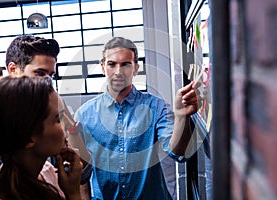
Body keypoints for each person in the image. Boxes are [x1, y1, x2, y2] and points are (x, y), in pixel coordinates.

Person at [72, 37, 200, 199]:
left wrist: (182, 118)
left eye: (125, 64)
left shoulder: (156, 107)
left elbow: (178, 152)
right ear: (103, 67)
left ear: (136, 69)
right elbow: (82, 170)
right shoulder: (84, 114)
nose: (118, 71)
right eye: (112, 64)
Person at [0, 35, 92, 199]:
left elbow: (82, 170)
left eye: (51, 76)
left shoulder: (50, 105)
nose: (47, 82)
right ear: (13, 69)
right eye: (40, 73)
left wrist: (64, 116)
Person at [0, 76, 83, 199]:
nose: (66, 125)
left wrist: (71, 190)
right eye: (58, 119)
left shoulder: (46, 170)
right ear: (29, 138)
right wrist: (73, 194)